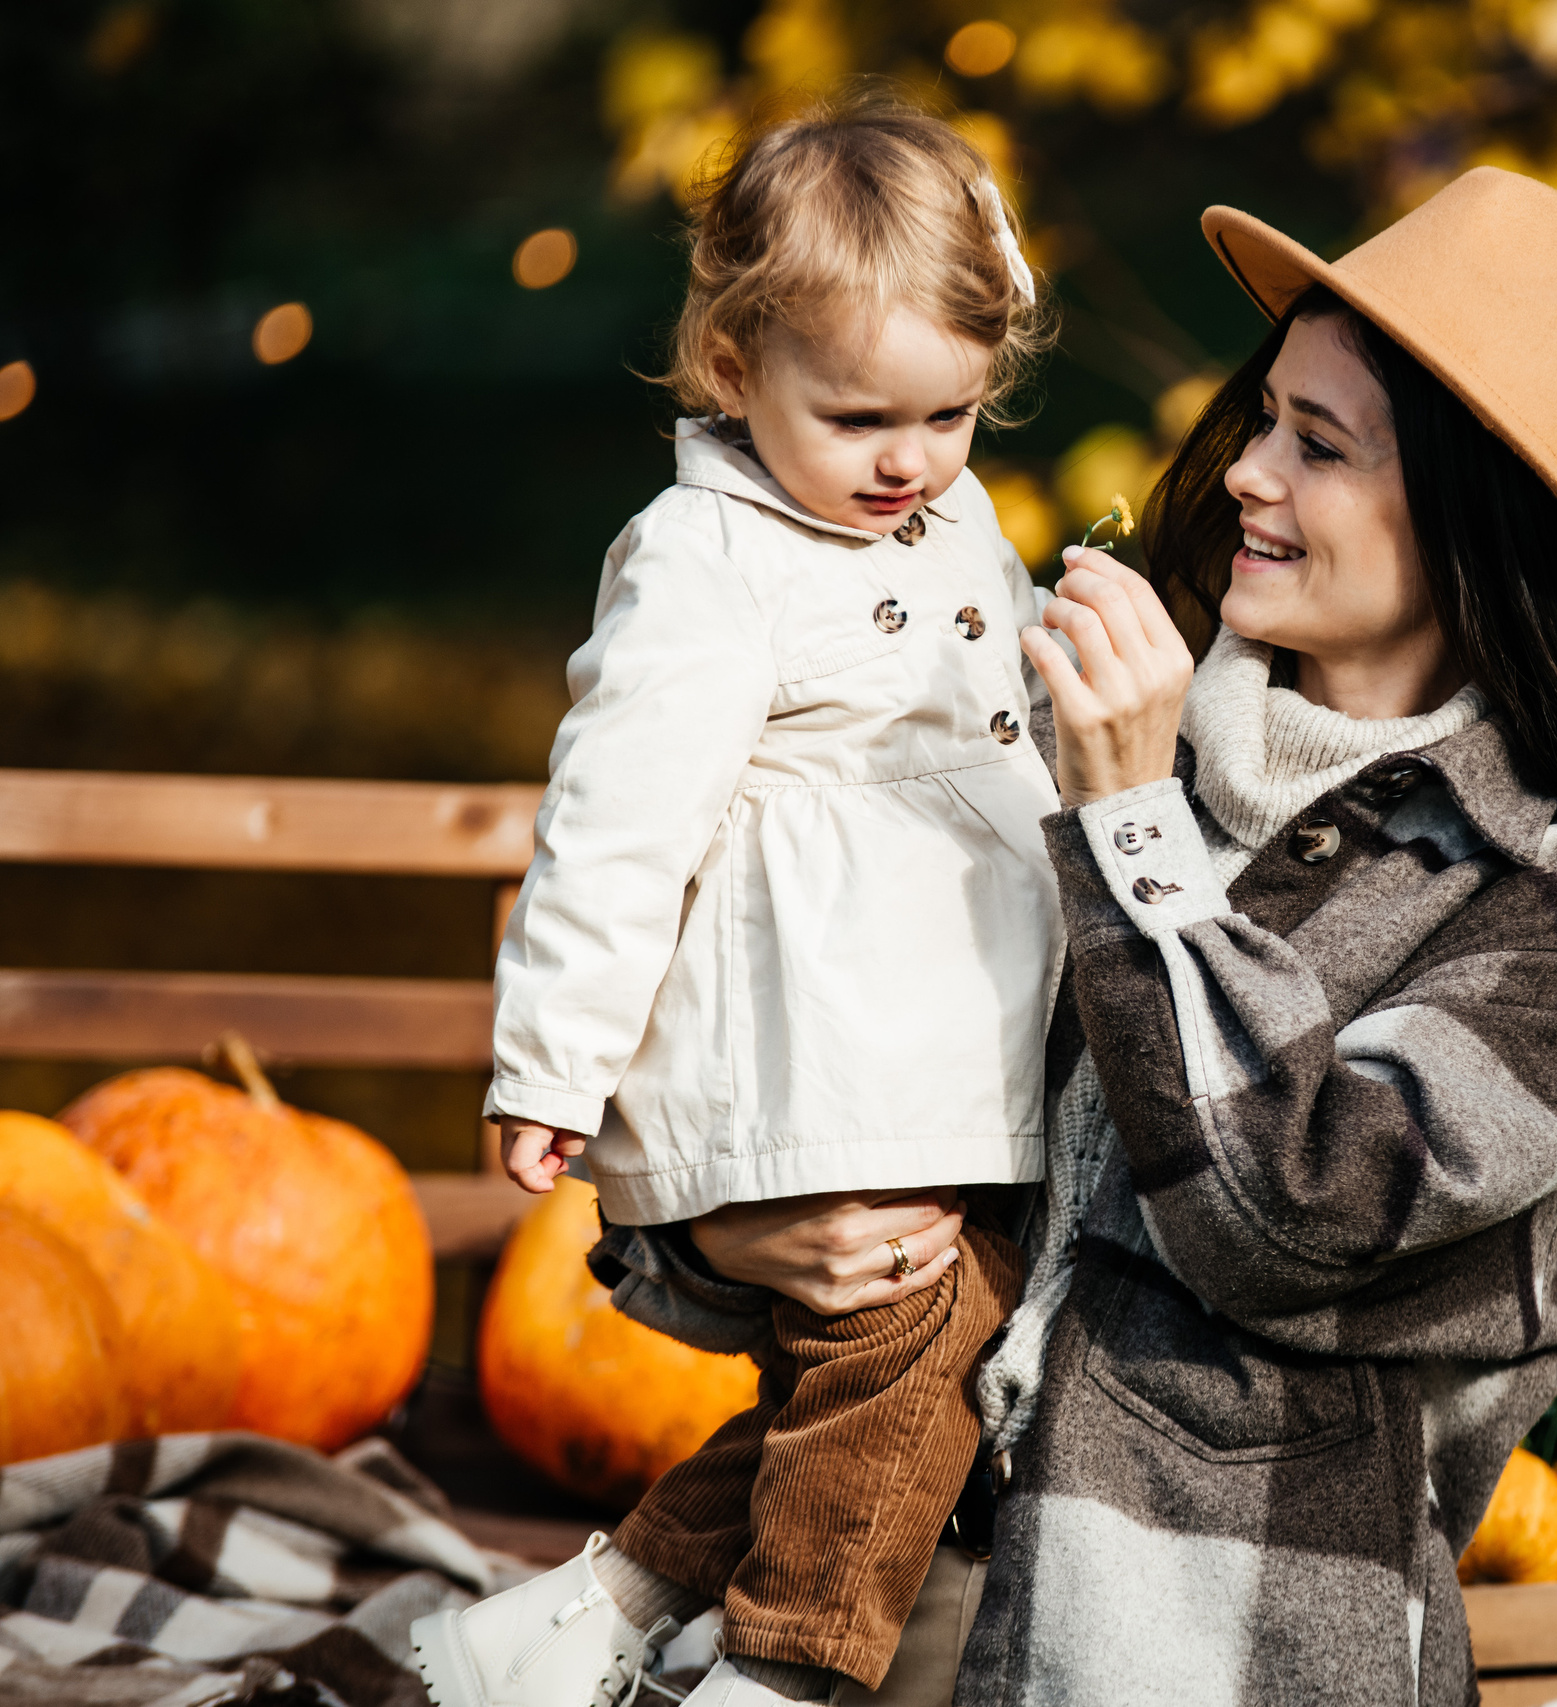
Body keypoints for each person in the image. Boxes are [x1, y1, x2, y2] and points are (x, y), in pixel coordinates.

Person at [690, 165, 1557, 1706]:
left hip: (1216, 1655)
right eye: (1266, 419)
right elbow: (820, 1012)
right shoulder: (1097, 734)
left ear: (1486, 528)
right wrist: (717, 1235)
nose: (1250, 476)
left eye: (1319, 446)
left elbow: (1292, 1206)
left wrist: (1132, 831)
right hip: (856, 1599)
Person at [411, 100, 1057, 1707]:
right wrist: (552, 1066)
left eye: (951, 415)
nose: (909, 461)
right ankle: (783, 1677)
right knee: (918, 1335)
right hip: (811, 1061)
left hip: (942, 1059)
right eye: (858, 419)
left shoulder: (953, 516)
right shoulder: (707, 558)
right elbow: (612, 829)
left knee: (888, 1375)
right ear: (732, 369)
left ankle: (576, 1625)